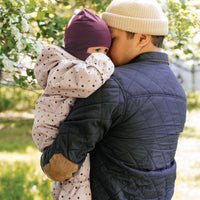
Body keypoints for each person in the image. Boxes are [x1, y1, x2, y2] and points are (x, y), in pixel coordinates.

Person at [40, 0, 187, 199]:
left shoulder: (110, 84)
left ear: (142, 38)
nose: (104, 49)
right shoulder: (177, 89)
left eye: (112, 38)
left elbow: (58, 166)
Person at [32, 9, 114, 200]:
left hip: (61, 128)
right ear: (78, 50)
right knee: (77, 179)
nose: (102, 56)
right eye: (96, 51)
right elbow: (88, 81)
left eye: (105, 51)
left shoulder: (70, 66)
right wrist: (105, 61)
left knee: (68, 181)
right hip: (53, 132)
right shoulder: (64, 68)